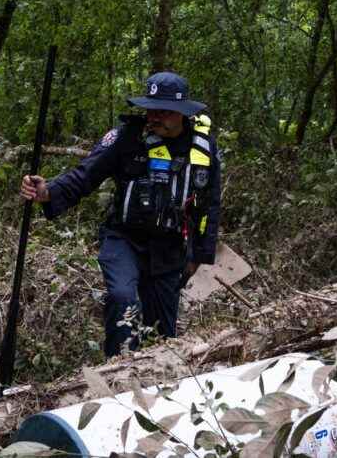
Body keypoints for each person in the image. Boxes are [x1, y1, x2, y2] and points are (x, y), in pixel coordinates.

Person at [21, 72, 221, 357]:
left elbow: (210, 205)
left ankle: (154, 385)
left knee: (162, 336)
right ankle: (117, 369)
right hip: (124, 239)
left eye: (164, 112)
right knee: (123, 298)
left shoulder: (203, 149)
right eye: (151, 109)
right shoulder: (127, 137)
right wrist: (47, 192)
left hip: (169, 249)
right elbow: (85, 174)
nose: (154, 117)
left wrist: (199, 256)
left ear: (181, 114)